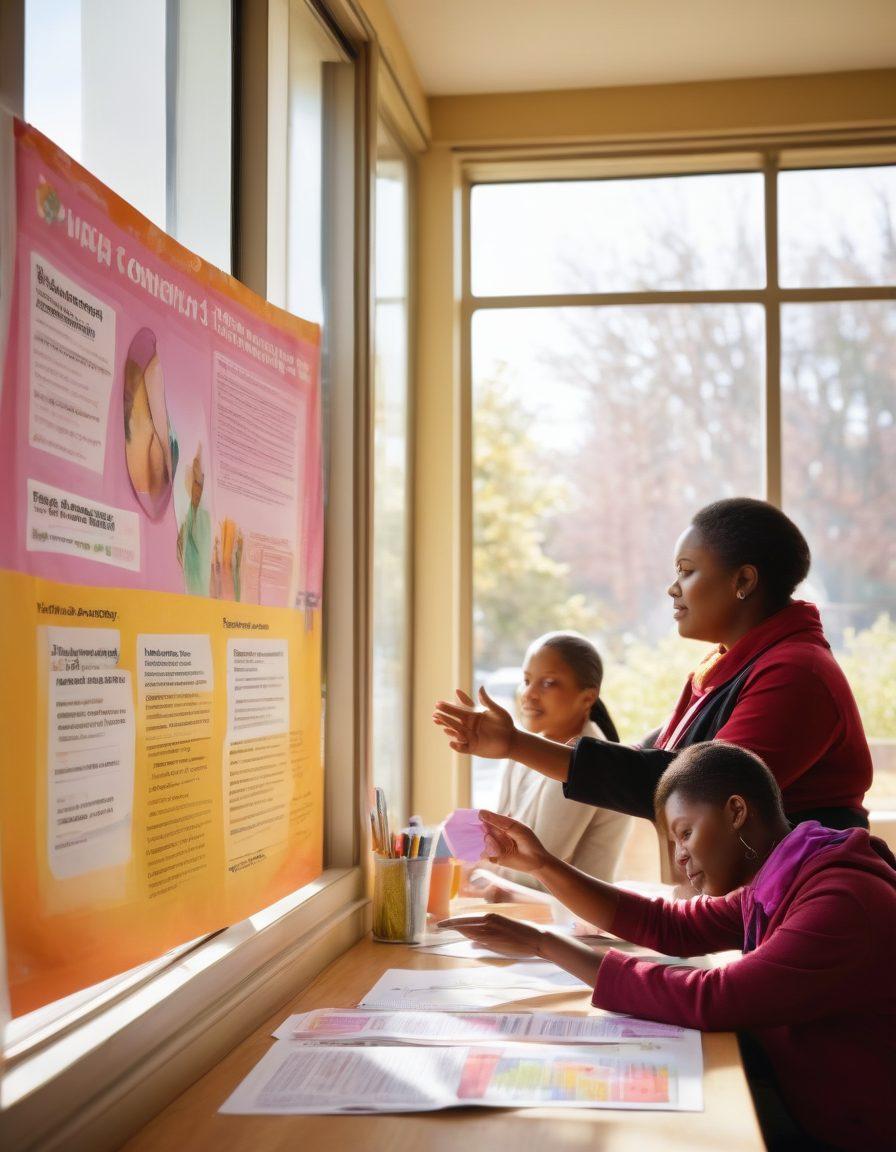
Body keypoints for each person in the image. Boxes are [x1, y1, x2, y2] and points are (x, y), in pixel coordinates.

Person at [441, 742, 896, 1152]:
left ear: (736, 811)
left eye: (685, 833)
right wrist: (540, 864)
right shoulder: (782, 876)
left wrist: (544, 944)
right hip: (805, 1090)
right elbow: (667, 925)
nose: (679, 856)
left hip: (846, 1129)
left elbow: (713, 998)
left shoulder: (840, 901)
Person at [434, 499, 872, 841]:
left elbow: (694, 792)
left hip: (808, 908)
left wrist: (514, 743)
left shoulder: (796, 675)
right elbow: (650, 763)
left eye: (687, 571)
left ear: (743, 581)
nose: (673, 588)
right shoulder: (724, 670)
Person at [482, 632, 630, 894]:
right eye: (526, 681)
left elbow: (535, 869)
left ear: (587, 697)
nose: (528, 694)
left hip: (573, 925)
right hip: (521, 910)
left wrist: (484, 873)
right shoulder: (521, 747)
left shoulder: (594, 763)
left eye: (548, 683)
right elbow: (492, 842)